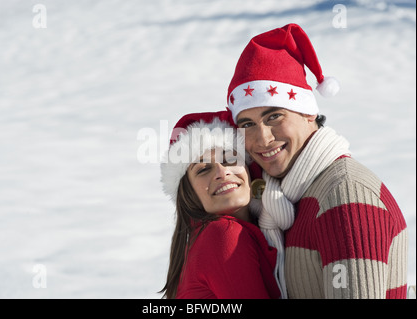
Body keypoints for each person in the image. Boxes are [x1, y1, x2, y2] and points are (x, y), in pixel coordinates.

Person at [226, 23, 408, 299]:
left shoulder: (345, 196)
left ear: (309, 113)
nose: (262, 139)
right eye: (247, 123)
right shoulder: (283, 198)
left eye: (274, 117)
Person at [159, 110, 281, 299]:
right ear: (188, 192)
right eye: (204, 169)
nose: (222, 172)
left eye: (231, 159)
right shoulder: (222, 234)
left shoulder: (205, 237)